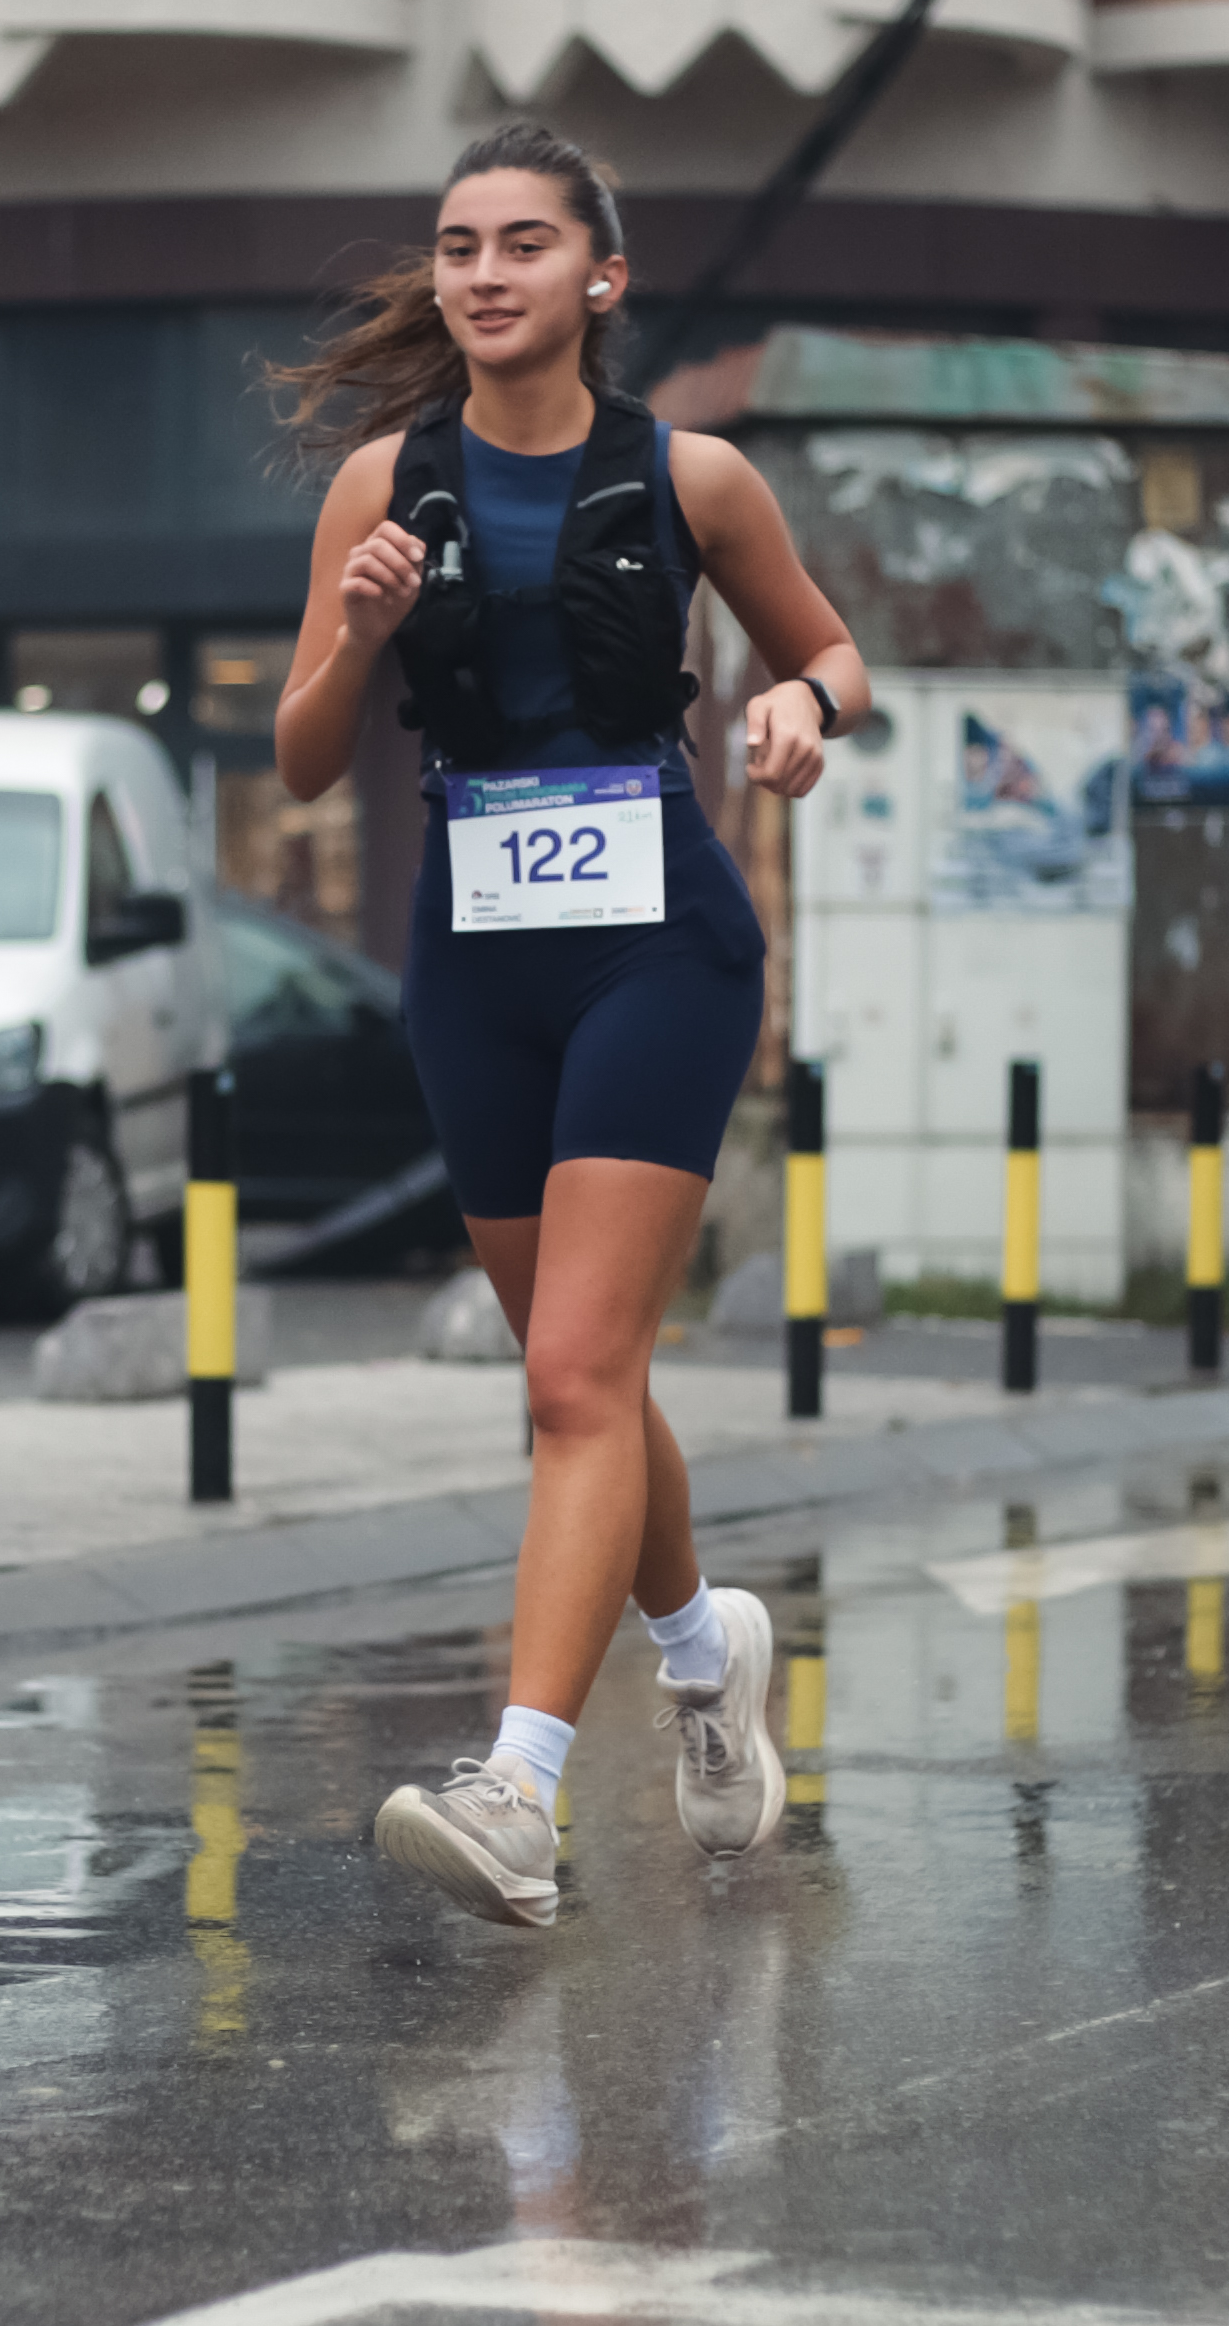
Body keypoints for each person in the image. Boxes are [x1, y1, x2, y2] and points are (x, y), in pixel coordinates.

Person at [272, 121, 868, 1931]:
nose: (482, 271)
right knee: (582, 1370)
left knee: (568, 1380)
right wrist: (358, 633)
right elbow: (299, 761)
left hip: (654, 953)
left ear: (599, 278)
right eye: (458, 244)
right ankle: (703, 1653)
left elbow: (832, 652)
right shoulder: (380, 485)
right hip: (475, 960)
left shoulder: (692, 476)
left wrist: (798, 708)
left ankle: (518, 1791)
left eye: (522, 242)